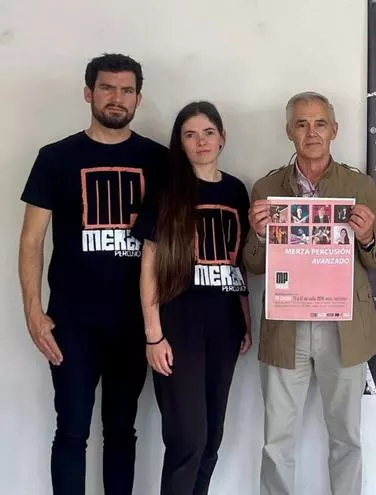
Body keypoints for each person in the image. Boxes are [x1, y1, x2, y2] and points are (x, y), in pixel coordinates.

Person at [18, 53, 165, 495]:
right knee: (71, 429)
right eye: (106, 88)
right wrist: (33, 313)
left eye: (126, 90)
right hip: (72, 323)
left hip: (133, 322)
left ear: (138, 98)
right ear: (89, 93)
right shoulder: (55, 158)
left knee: (121, 430)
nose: (116, 98)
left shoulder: (159, 160)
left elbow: (171, 243)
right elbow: (31, 241)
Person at [243, 91, 376, 495]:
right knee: (277, 441)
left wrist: (366, 236)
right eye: (302, 124)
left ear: (334, 130)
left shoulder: (359, 185)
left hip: (343, 328)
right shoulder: (267, 187)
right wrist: (259, 234)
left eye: (320, 123)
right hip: (285, 326)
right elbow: (253, 265)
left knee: (347, 437)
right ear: (288, 131)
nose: (311, 132)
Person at [132, 101, 252, 495]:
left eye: (208, 133)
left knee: (212, 438)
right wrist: (153, 334)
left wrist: (245, 319)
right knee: (188, 440)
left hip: (224, 326)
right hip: (177, 327)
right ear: (180, 143)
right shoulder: (167, 191)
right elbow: (149, 265)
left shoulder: (236, 190)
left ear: (222, 137)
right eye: (190, 135)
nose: (201, 141)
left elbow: (237, 261)